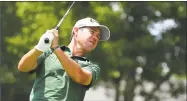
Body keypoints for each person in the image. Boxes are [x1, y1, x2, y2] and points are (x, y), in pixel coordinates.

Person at [17, 17, 110, 101]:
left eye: (98, 36)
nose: (95, 38)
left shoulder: (92, 67)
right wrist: (39, 48)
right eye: (92, 32)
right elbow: (23, 67)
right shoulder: (49, 52)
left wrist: (56, 48)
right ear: (76, 31)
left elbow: (80, 76)